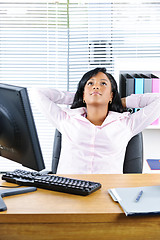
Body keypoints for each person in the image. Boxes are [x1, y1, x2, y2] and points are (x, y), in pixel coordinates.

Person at [33, 67, 160, 174]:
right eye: (90, 84)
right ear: (83, 93)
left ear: (111, 95)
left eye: (103, 83)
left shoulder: (126, 124)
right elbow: (37, 93)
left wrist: (123, 101)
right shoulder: (66, 120)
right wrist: (79, 98)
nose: (96, 87)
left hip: (107, 192)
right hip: (69, 190)